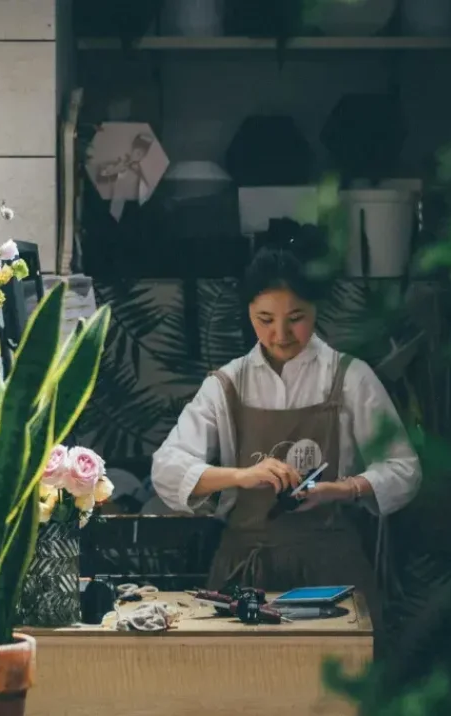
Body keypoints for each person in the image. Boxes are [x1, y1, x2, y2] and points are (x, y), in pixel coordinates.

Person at [151, 246, 422, 621]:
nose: (280, 334)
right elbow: (166, 466)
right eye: (265, 319)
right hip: (244, 573)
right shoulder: (228, 384)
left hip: (332, 570)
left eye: (296, 318)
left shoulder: (349, 377)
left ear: (315, 309)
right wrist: (242, 476)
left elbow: (404, 468)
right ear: (248, 313)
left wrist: (340, 488)